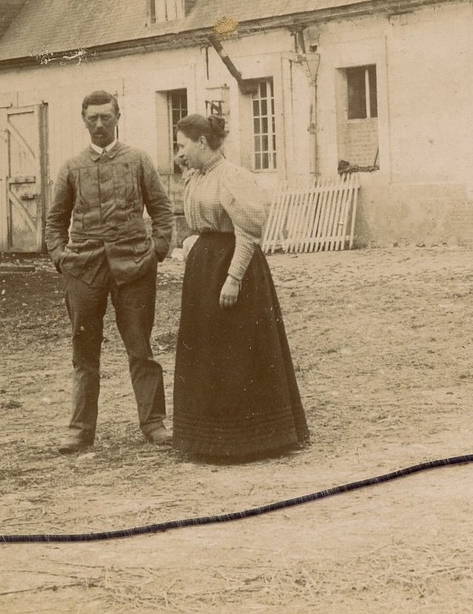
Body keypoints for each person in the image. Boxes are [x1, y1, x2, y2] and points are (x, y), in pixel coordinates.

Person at [171, 113, 308, 462]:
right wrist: (191, 248)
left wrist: (233, 278)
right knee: (207, 351)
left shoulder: (234, 178)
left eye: (183, 145)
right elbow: (199, 225)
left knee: (237, 352)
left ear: (202, 142)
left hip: (236, 270)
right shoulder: (196, 177)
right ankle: (207, 437)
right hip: (205, 270)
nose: (179, 153)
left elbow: (248, 232)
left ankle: (250, 439)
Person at [44, 90, 174, 454]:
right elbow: (54, 221)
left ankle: (153, 423)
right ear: (83, 120)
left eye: (106, 117)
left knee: (140, 347)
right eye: (92, 118)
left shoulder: (138, 160)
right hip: (84, 270)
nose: (99, 124)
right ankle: (80, 430)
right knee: (84, 351)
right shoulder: (71, 167)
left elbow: (163, 211)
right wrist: (61, 258)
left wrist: (156, 251)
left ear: (118, 117)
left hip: (134, 268)